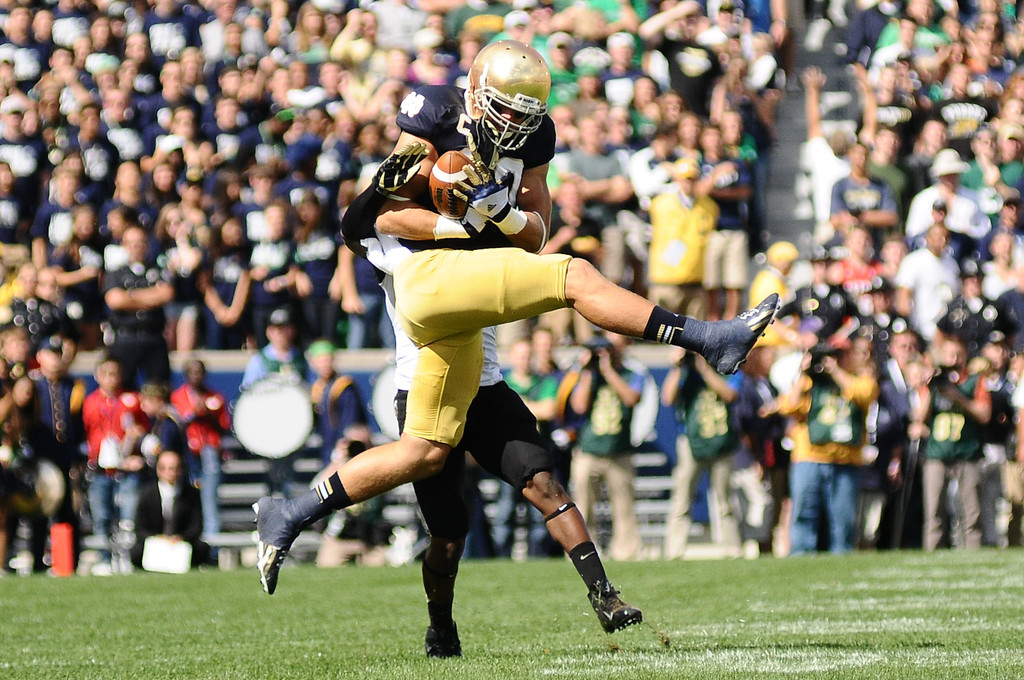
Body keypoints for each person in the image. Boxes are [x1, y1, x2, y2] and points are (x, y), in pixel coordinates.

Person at [255, 39, 777, 601]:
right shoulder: (433, 115)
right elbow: (381, 212)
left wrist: (498, 210)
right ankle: (706, 337)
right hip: (423, 278)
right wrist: (459, 222)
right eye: (502, 108)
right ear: (476, 94)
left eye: (523, 115)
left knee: (424, 450)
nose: (511, 124)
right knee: (572, 277)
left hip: (461, 306)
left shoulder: (535, 139)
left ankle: (289, 513)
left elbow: (536, 235)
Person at [776, 335, 879, 554]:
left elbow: (865, 395)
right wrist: (803, 372)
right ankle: (801, 558)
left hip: (846, 460)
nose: (833, 360)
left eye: (839, 355)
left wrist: (835, 371)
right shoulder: (808, 382)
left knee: (843, 521)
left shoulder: (859, 379)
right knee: (804, 515)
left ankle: (841, 561)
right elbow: (788, 407)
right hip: (809, 458)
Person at [661, 347, 742, 560]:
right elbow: (668, 399)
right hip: (690, 442)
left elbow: (730, 395)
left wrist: (705, 370)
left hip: (721, 440)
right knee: (682, 499)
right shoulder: (684, 372)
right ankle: (674, 551)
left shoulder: (727, 368)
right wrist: (677, 367)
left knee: (725, 500)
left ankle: (732, 549)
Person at [912, 334, 991, 551]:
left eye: (958, 355)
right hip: (937, 453)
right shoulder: (935, 381)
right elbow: (919, 417)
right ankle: (932, 552)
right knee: (933, 512)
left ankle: (973, 553)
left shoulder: (974, 381)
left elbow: (984, 414)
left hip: (967, 452)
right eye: (949, 355)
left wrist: (958, 397)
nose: (954, 359)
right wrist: (928, 388)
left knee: (971, 511)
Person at [81, 356, 148, 572]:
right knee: (101, 516)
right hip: (100, 469)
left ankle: (125, 557)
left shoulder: (131, 400)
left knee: (127, 517)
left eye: (115, 374)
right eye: (106, 374)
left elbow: (144, 428)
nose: (111, 379)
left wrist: (135, 441)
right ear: (97, 376)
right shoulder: (90, 402)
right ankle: (104, 558)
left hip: (124, 468)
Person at [102, 224, 174, 388]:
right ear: (124, 246)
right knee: (123, 389)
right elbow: (115, 300)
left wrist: (130, 295)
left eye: (140, 242)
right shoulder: (116, 273)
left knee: (159, 389)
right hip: (125, 338)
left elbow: (166, 294)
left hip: (153, 336)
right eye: (131, 243)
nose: (136, 247)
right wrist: (150, 296)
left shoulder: (158, 270)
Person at [170, 358, 230, 541]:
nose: (196, 376)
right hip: (188, 452)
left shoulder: (215, 398)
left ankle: (212, 538)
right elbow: (176, 425)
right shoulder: (178, 397)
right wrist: (194, 414)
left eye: (199, 372)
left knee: (209, 498)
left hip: (209, 450)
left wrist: (208, 414)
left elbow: (223, 428)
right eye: (192, 372)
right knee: (187, 498)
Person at [130, 449, 210, 570]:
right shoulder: (146, 492)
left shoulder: (191, 493)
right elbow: (140, 527)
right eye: (164, 468)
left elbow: (196, 526)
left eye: (174, 468)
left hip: (180, 542)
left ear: (181, 470)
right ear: (158, 469)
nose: (170, 472)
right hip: (155, 541)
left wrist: (180, 537)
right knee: (136, 552)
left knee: (202, 548)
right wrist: (159, 538)